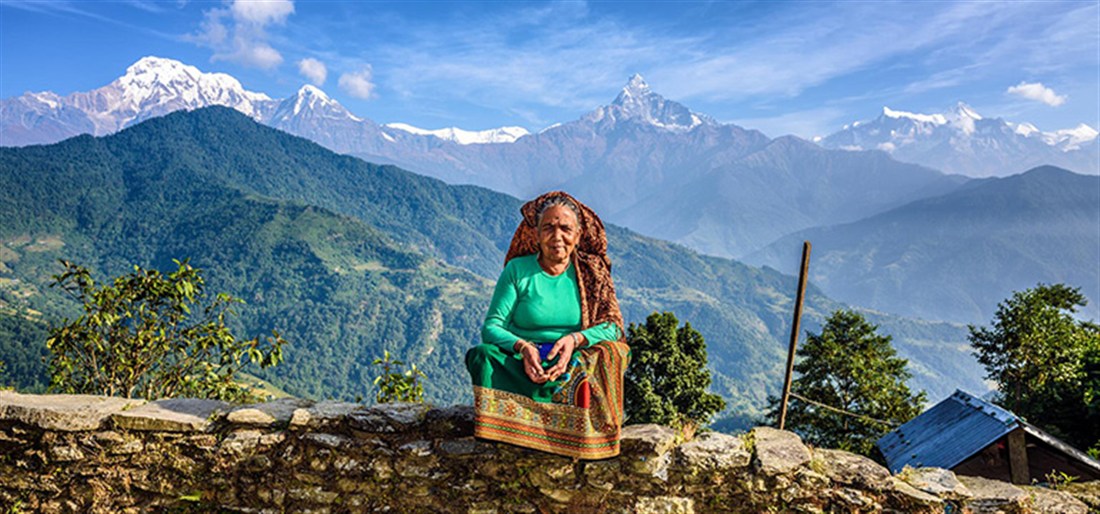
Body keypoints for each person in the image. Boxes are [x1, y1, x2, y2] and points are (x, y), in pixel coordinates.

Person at [466, 191, 630, 460]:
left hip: (572, 361)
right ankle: (511, 426)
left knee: (604, 357)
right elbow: (492, 327)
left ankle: (555, 423)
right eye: (548, 228)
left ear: (578, 236)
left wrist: (574, 341)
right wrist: (523, 348)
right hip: (521, 361)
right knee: (482, 356)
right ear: (536, 234)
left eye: (565, 228)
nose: (557, 237)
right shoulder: (518, 270)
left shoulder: (591, 273)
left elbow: (613, 327)